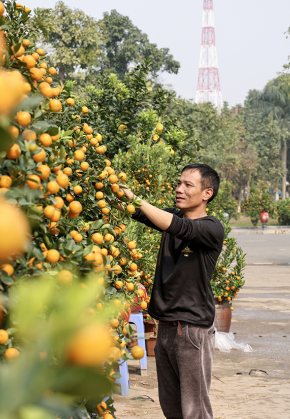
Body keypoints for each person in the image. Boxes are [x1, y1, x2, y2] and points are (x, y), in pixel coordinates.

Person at [122, 163, 224, 419]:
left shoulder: (211, 228)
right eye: (178, 183)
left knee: (195, 410)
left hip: (191, 330)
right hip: (165, 327)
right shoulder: (174, 218)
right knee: (172, 408)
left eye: (188, 185)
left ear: (206, 194)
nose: (179, 189)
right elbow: (141, 213)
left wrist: (138, 200)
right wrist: (116, 191)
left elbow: (181, 228)